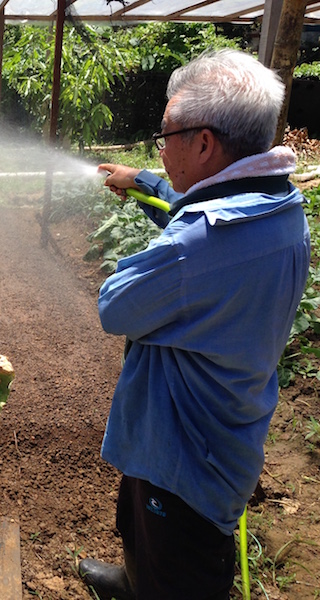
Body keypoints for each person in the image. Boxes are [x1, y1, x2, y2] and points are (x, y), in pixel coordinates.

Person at [80, 48, 311, 600]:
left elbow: (117, 307)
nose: (160, 150)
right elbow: (211, 211)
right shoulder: (279, 204)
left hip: (185, 456)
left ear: (204, 143)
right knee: (143, 533)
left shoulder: (198, 247)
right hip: (215, 430)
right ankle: (133, 581)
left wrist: (158, 241)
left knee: (174, 562)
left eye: (165, 136)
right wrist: (150, 184)